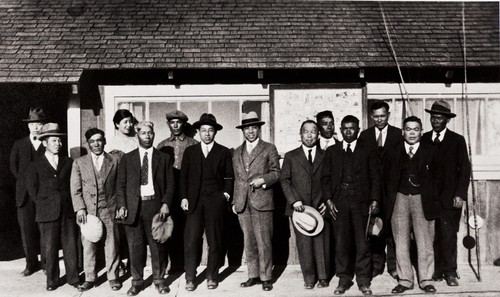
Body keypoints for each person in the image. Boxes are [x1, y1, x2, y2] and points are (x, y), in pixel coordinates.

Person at [321, 115, 381, 295]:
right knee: (341, 243)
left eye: (352, 128)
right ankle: (344, 279)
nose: (348, 131)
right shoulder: (332, 151)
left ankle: (363, 280)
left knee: (362, 242)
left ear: (358, 130)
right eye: (345, 128)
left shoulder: (368, 150)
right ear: (340, 130)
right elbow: (325, 179)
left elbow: (375, 177)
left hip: (361, 203)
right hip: (339, 203)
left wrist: (375, 200)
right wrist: (328, 200)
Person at [115, 121, 174, 296]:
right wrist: (123, 205)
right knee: (135, 247)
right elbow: (120, 184)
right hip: (134, 207)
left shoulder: (163, 158)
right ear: (137, 135)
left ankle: (159, 280)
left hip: (155, 206)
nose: (147, 136)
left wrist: (165, 204)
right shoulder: (128, 158)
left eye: (150, 133)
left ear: (154, 134)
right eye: (143, 133)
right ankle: (137, 281)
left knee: (158, 246)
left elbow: (171, 184)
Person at [384, 116, 438, 294]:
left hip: (422, 199)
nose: (412, 133)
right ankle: (405, 279)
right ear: (402, 132)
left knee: (424, 241)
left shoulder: (431, 150)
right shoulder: (393, 151)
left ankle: (426, 279)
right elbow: (386, 177)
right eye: (408, 129)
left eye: (416, 129)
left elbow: (439, 178)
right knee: (400, 241)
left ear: (421, 132)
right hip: (399, 198)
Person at [180, 113, 234, 291]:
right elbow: (184, 177)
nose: (207, 134)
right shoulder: (190, 151)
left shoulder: (224, 152)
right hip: (194, 202)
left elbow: (229, 176)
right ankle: (190, 277)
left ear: (215, 132)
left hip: (215, 201)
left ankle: (212, 275)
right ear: (198, 132)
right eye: (203, 130)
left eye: (210, 130)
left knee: (215, 240)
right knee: (192, 240)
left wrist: (225, 195)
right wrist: (184, 197)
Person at [422, 100, 471, 286]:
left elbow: (465, 169)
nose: (435, 121)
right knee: (431, 236)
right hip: (428, 198)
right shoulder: (424, 138)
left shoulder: (457, 140)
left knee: (449, 234)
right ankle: (437, 270)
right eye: (433, 118)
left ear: (447, 120)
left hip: (450, 198)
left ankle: (450, 271)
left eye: (440, 118)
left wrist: (460, 194)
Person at [26, 123, 79, 291]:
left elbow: (73, 185)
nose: (58, 144)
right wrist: (45, 203)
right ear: (44, 143)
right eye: (54, 140)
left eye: (59, 141)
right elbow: (32, 189)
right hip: (47, 212)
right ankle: (52, 280)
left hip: (67, 211)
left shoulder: (68, 162)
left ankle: (73, 278)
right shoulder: (36, 164)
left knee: (70, 245)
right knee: (50, 248)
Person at [232, 112, 280, 292]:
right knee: (249, 241)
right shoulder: (236, 152)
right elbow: (237, 179)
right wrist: (235, 202)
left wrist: (263, 180)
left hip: (262, 201)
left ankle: (266, 277)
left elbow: (277, 173)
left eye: (253, 128)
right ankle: (253, 275)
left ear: (258, 129)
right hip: (243, 203)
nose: (250, 131)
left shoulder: (268, 148)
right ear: (243, 130)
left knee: (264, 242)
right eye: (247, 128)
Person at [281, 120, 330, 290]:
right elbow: (285, 180)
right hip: (299, 208)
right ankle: (309, 278)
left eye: (313, 132)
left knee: (321, 242)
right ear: (300, 134)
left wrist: (326, 200)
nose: (309, 135)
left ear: (318, 135)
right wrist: (294, 201)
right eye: (305, 132)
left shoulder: (326, 155)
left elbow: (330, 181)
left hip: (320, 206)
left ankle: (323, 277)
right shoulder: (291, 156)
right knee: (304, 244)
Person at [70, 128, 122, 292]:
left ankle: (113, 277)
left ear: (104, 141)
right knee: (89, 245)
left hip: (110, 209)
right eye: (92, 141)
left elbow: (121, 186)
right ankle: (90, 278)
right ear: (88, 144)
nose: (96, 144)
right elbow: (75, 190)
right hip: (89, 211)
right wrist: (80, 209)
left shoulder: (114, 160)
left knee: (112, 244)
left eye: (99, 140)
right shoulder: (79, 163)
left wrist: (120, 206)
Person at [358, 100, 402, 279]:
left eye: (382, 116)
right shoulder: (365, 135)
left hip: (393, 191)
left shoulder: (398, 134)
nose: (379, 120)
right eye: (375, 117)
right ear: (371, 117)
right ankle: (377, 265)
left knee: (393, 228)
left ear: (389, 115)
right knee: (375, 227)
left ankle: (393, 265)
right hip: (372, 191)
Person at [157, 110, 198, 273]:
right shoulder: (162, 145)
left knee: (187, 230)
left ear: (184, 124)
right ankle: (173, 265)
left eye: (178, 122)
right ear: (168, 124)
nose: (175, 125)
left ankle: (188, 266)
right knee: (169, 228)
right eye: (172, 122)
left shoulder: (193, 144)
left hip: (187, 192)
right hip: (169, 192)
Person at [9, 107, 47, 276]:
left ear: (43, 125)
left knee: (44, 230)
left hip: (43, 195)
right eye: (33, 124)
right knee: (26, 230)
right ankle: (31, 263)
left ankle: (47, 263)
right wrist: (25, 182)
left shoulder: (48, 144)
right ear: (28, 126)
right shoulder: (19, 144)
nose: (36, 127)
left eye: (39, 124)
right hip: (24, 196)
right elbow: (13, 167)